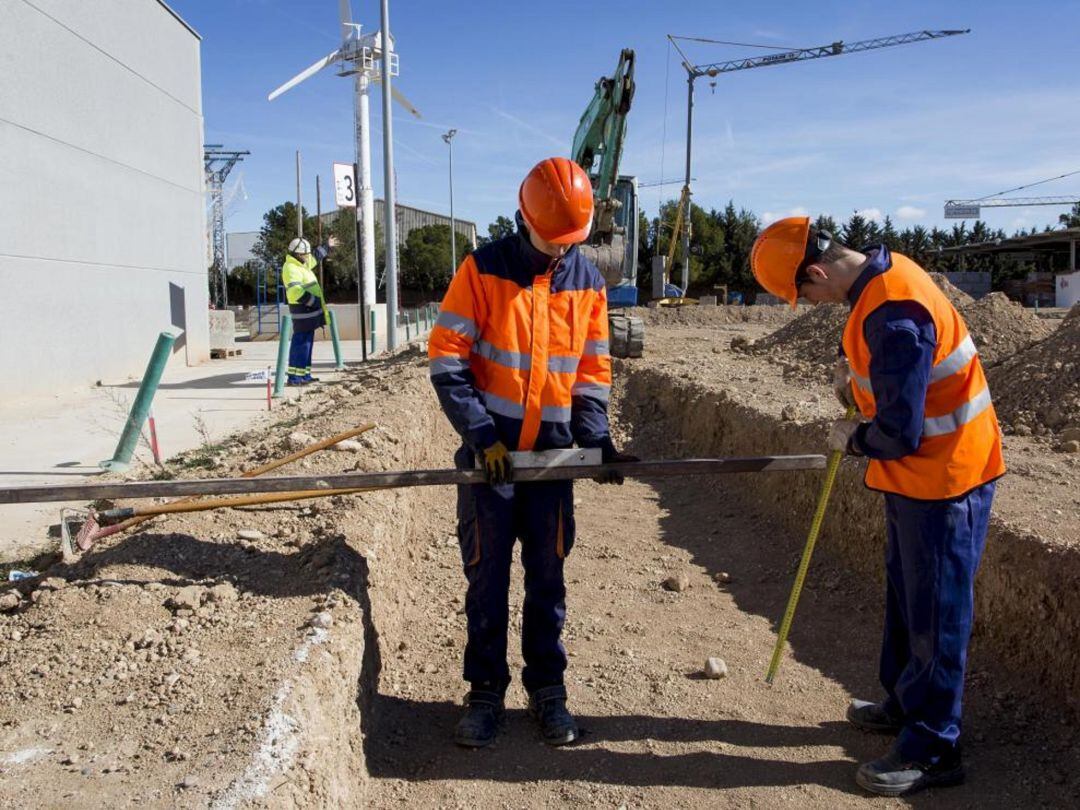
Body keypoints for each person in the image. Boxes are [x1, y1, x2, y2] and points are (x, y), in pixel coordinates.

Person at [751, 217, 1005, 797]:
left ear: (816, 271)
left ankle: (935, 746)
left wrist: (856, 437)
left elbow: (900, 430)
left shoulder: (895, 314)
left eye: (806, 295)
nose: (812, 304)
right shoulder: (880, 281)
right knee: (908, 594)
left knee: (936, 610)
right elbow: (896, 384)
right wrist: (858, 389)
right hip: (917, 478)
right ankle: (905, 703)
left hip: (947, 477)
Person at [428, 157, 636, 748]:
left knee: (548, 581)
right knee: (487, 583)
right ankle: (485, 693)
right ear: (525, 218)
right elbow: (447, 358)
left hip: (550, 463)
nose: (560, 252)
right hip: (490, 462)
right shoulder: (484, 269)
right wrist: (481, 435)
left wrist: (595, 440)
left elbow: (592, 372)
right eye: (553, 240)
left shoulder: (588, 282)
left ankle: (549, 692)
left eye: (571, 242)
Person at [281, 237, 327, 386]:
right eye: (305, 254)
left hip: (309, 311)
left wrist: (327, 246)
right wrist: (314, 302)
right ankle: (294, 378)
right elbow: (295, 292)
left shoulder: (302, 264)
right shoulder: (290, 267)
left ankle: (304, 375)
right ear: (297, 254)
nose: (308, 257)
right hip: (303, 310)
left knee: (306, 344)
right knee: (301, 344)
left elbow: (315, 258)